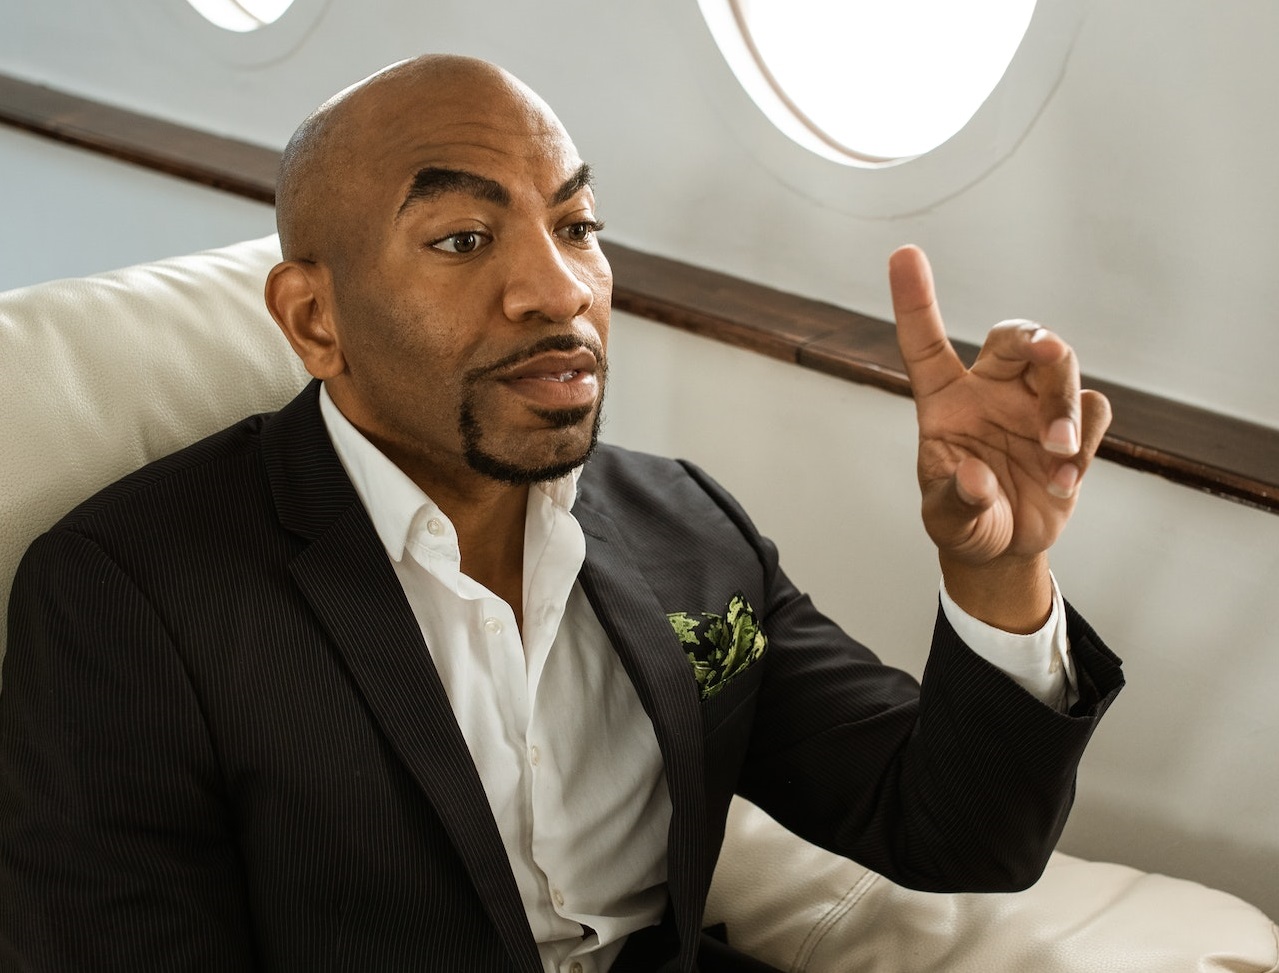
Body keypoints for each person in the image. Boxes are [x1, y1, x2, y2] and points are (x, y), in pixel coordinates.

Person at [0, 54, 1122, 973]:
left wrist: (999, 569)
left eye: (577, 225)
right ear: (312, 320)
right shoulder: (127, 594)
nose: (559, 290)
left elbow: (955, 834)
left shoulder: (685, 525)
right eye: (461, 239)